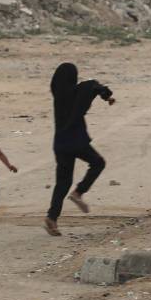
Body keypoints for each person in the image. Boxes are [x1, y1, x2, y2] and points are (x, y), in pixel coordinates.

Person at [45, 63, 114, 236]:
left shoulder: (57, 95)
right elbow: (93, 86)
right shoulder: (79, 91)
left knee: (62, 182)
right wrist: (106, 96)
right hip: (76, 141)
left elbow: (90, 87)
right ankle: (78, 192)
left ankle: (52, 218)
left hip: (60, 144)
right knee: (98, 163)